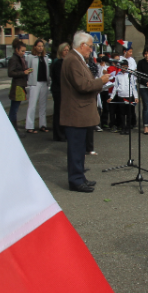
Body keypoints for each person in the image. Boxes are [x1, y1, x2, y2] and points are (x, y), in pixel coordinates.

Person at [61, 32, 111, 193]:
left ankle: (80, 177)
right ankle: (75, 180)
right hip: (76, 112)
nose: (91, 50)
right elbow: (82, 85)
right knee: (76, 148)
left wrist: (98, 82)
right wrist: (100, 82)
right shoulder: (72, 60)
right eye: (90, 46)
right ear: (82, 45)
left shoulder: (77, 59)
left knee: (80, 148)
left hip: (80, 112)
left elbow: (86, 82)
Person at [23, 40, 51, 134]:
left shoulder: (45, 57)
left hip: (44, 82)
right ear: (35, 47)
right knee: (32, 104)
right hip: (35, 82)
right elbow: (27, 68)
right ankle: (29, 126)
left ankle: (42, 125)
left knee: (43, 104)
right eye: (38, 46)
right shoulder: (30, 57)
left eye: (42, 46)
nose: (40, 48)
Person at [109, 59, 138, 135]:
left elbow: (133, 86)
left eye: (125, 67)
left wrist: (136, 97)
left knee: (129, 113)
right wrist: (111, 97)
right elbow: (115, 87)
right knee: (121, 114)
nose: (124, 68)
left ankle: (128, 128)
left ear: (128, 67)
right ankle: (122, 127)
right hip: (121, 96)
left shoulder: (130, 75)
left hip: (129, 96)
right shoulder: (118, 75)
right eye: (122, 67)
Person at [7, 38, 30, 134]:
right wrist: (23, 72)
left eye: (24, 51)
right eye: (22, 51)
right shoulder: (14, 59)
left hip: (21, 85)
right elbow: (10, 72)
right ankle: (12, 129)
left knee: (15, 109)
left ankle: (13, 128)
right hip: (17, 86)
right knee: (14, 109)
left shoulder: (20, 59)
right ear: (17, 49)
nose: (23, 53)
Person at [50, 42, 70, 141]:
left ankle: (64, 133)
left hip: (65, 91)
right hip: (59, 90)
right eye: (65, 50)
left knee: (64, 113)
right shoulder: (58, 63)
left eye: (68, 50)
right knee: (59, 112)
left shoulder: (67, 62)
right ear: (61, 51)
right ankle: (58, 134)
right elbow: (59, 78)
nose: (66, 52)